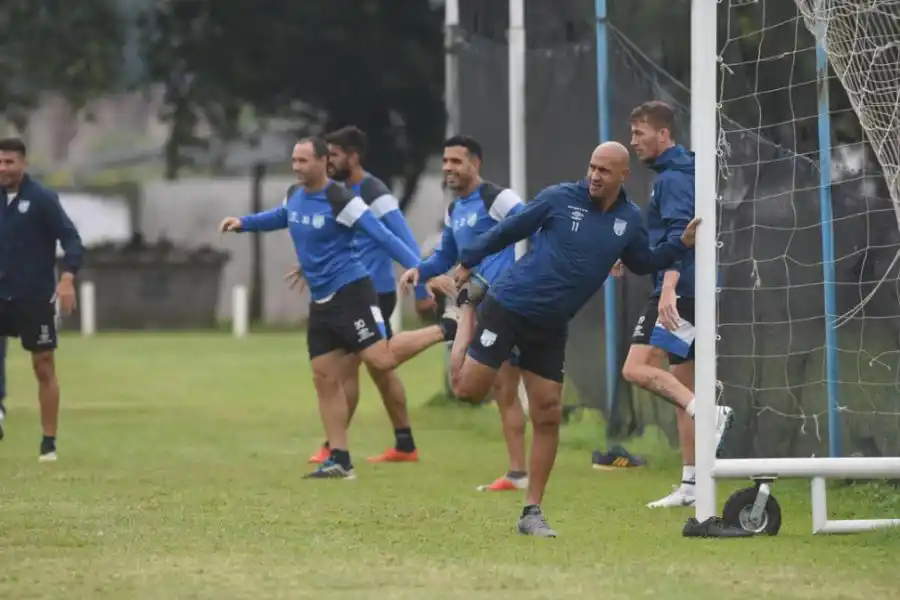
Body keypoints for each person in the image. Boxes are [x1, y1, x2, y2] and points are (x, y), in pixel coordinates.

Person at [429, 142, 699, 537]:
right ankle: (466, 309)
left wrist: (681, 244)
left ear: (623, 176)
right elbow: (509, 229)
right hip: (508, 307)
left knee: (548, 414)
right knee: (467, 390)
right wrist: (468, 261)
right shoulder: (558, 198)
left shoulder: (629, 220)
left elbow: (644, 262)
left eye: (604, 170)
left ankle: (532, 512)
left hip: (552, 325)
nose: (594, 176)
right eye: (592, 167)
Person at [219, 137, 457, 479]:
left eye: (303, 160)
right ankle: (340, 459)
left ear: (322, 163)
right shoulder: (294, 195)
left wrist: (423, 272)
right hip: (322, 301)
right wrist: (244, 223)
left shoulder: (341, 200)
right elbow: (282, 216)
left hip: (352, 293)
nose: (296, 167)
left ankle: (447, 328)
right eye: (294, 160)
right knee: (324, 378)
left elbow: (385, 237)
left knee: (381, 359)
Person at [291, 125, 430, 464]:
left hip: (370, 292)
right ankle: (405, 443)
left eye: (335, 155)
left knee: (347, 370)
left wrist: (422, 286)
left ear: (353, 157)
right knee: (380, 370)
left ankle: (334, 448)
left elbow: (402, 239)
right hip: (350, 289)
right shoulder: (337, 193)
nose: (329, 161)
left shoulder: (373, 192)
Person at [620, 101, 733, 509]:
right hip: (693, 288)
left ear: (663, 134)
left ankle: (710, 414)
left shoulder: (673, 178)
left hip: (680, 291)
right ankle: (691, 484)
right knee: (681, 386)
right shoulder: (684, 168)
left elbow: (685, 235)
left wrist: (667, 288)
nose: (633, 142)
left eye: (640, 133)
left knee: (637, 368)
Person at [402, 135, 529, 493]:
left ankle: (525, 471)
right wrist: (420, 271)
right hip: (487, 307)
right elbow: (445, 256)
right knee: (503, 388)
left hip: (513, 303)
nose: (448, 168)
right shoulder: (455, 210)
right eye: (445, 161)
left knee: (525, 389)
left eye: (456, 161)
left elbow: (532, 223)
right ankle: (518, 473)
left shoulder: (497, 199)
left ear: (476, 163)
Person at [0, 137, 84, 461]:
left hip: (33, 296)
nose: (3, 168)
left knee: (44, 366)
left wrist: (67, 278)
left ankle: (49, 442)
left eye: (9, 162)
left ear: (23, 164)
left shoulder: (42, 199)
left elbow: (71, 240)